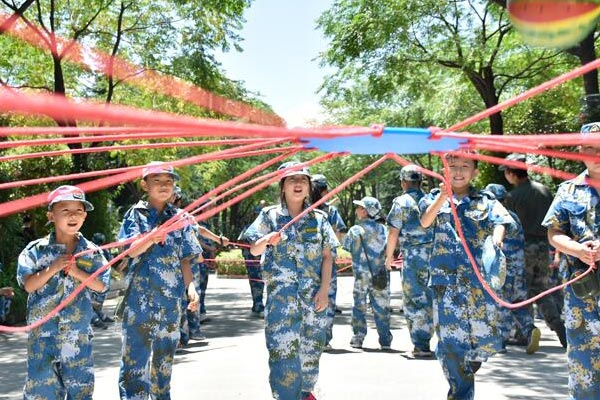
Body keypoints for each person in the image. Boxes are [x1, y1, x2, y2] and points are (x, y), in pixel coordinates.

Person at [242, 161, 339, 400]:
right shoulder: (269, 216)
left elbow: (328, 256)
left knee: (310, 355)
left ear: (309, 186)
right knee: (282, 355)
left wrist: (325, 290)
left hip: (312, 300)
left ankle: (305, 394)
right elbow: (254, 249)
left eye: (303, 180)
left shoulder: (319, 219)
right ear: (282, 186)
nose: (298, 184)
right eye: (292, 179)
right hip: (281, 302)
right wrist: (267, 239)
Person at [420, 153, 513, 400]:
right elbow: (426, 221)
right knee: (450, 343)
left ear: (474, 172)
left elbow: (502, 221)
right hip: (446, 282)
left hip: (479, 283)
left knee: (485, 340)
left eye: (464, 167)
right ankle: (460, 392)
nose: (458, 172)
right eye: (452, 167)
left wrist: (496, 239)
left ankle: (472, 361)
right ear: (444, 171)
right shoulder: (433, 198)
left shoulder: (485, 200)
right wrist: (442, 195)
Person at [117, 161, 202, 399]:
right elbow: (129, 251)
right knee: (135, 363)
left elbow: (185, 258)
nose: (164, 186)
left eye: (168, 181)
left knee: (164, 363)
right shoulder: (136, 214)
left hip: (171, 303)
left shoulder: (180, 217)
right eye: (157, 181)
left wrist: (191, 288)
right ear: (145, 185)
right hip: (140, 302)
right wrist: (152, 237)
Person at [17, 185, 110, 399]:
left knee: (81, 392)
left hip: (77, 337)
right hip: (43, 338)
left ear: (85, 216)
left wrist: (77, 272)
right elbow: (29, 285)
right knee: (41, 392)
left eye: (78, 211)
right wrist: (53, 268)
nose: (73, 216)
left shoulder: (92, 252)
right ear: (51, 215)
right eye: (65, 210)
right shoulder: (35, 250)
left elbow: (101, 285)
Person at [542, 121, 600, 399]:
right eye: (589, 148)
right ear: (579, 151)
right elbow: (554, 233)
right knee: (583, 366)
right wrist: (577, 250)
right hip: (582, 292)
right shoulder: (568, 190)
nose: (595, 154)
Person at [500, 153, 567, 347]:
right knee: (540, 289)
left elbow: (508, 224)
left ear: (512, 173)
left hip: (524, 247)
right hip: (545, 246)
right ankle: (558, 326)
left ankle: (524, 333)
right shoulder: (545, 190)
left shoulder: (513, 196)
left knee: (522, 289)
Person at [484, 183, 541, 355]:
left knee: (500, 304)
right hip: (519, 268)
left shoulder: (493, 217)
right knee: (518, 303)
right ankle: (530, 329)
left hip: (502, 269)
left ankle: (499, 342)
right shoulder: (514, 217)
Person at [385, 164, 434, 358]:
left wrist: (389, 257)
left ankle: (421, 345)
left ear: (404, 182)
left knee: (414, 299)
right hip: (434, 255)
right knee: (432, 297)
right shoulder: (431, 199)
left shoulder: (401, 202)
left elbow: (393, 232)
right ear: (420, 181)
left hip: (413, 256)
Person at [343, 196, 392, 350]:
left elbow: (346, 248)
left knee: (359, 306)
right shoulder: (384, 229)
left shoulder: (355, 230)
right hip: (380, 275)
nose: (357, 210)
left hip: (361, 276)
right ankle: (385, 340)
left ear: (365, 211)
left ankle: (358, 338)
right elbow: (390, 249)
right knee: (382, 307)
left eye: (359, 207)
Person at [310, 174, 347, 350]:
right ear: (324, 191)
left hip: (307, 261)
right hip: (328, 261)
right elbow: (339, 235)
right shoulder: (330, 211)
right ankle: (324, 339)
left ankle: (309, 337)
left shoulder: (302, 208)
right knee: (328, 297)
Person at [238, 200, 268, 317]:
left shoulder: (265, 227)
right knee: (256, 282)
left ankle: (258, 305)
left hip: (261, 260)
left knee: (261, 282)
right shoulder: (249, 227)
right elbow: (240, 241)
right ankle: (258, 305)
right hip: (252, 261)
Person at [90, 232, 115, 329]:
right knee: (90, 301)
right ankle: (95, 319)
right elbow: (82, 263)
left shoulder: (103, 250)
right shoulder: (89, 249)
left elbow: (109, 262)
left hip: (102, 281)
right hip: (92, 280)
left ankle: (100, 316)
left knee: (98, 302)